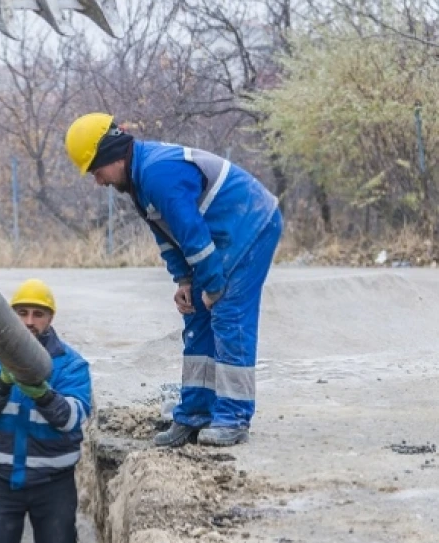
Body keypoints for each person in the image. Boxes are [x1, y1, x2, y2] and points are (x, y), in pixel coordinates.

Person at [64, 113, 282, 447]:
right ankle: (195, 414)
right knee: (197, 318)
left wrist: (210, 287)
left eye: (96, 170)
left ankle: (233, 417)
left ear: (112, 155)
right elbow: (168, 236)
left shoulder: (156, 173)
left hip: (250, 224)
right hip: (219, 235)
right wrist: (184, 281)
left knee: (227, 315)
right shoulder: (138, 180)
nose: (98, 181)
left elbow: (193, 236)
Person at [0, 279, 92, 543]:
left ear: (50, 318)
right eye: (21, 313)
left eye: (38, 314)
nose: (29, 321)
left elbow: (71, 419)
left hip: (54, 485)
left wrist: (44, 395)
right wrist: (1, 383)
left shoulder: (71, 364)